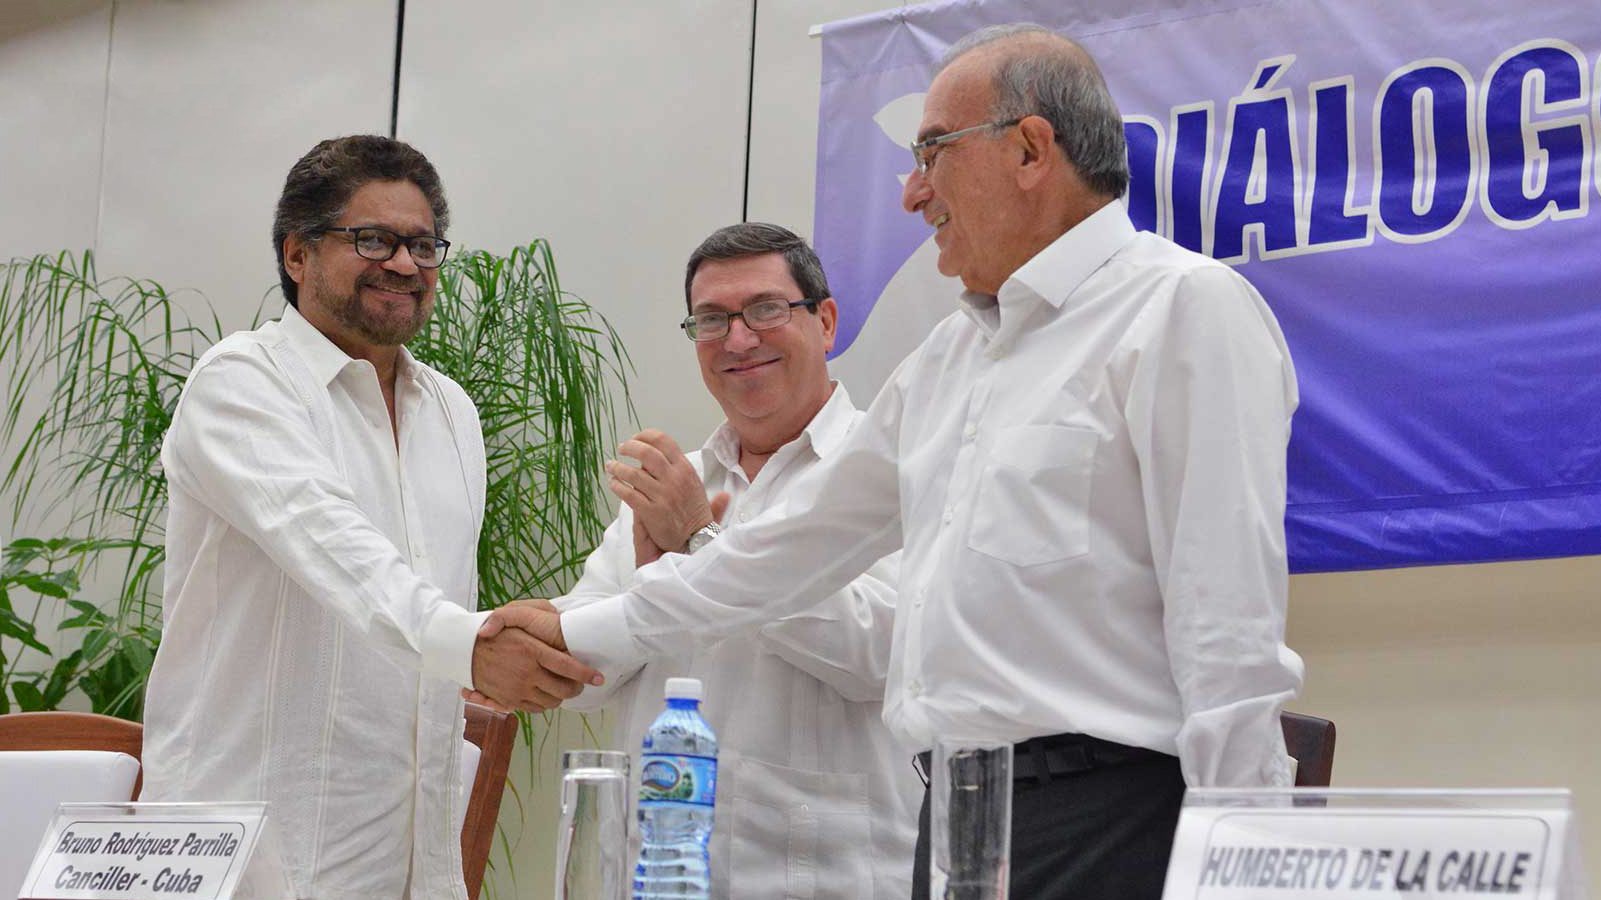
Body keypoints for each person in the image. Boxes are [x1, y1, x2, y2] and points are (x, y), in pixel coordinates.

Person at [494, 22, 1304, 900]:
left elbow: (1227, 629)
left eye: (932, 153)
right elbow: (779, 553)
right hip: (956, 820)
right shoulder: (951, 358)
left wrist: (1244, 862)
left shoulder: (1182, 309)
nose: (912, 192)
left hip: (1112, 819)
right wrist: (572, 630)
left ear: (1030, 149)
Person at [142, 134, 598, 899]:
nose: (403, 264)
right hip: (252, 854)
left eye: (422, 245)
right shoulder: (242, 382)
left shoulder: (452, 410)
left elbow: (433, 601)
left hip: (410, 854)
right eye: (372, 239)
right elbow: (335, 549)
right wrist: (476, 645)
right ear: (297, 255)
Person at [563, 223, 920, 896]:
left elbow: (882, 650)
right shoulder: (676, 481)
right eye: (711, 320)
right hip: (663, 872)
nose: (737, 339)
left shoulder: (889, 467)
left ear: (826, 322)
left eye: (764, 310)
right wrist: (648, 576)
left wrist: (700, 543)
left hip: (836, 872)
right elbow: (584, 680)